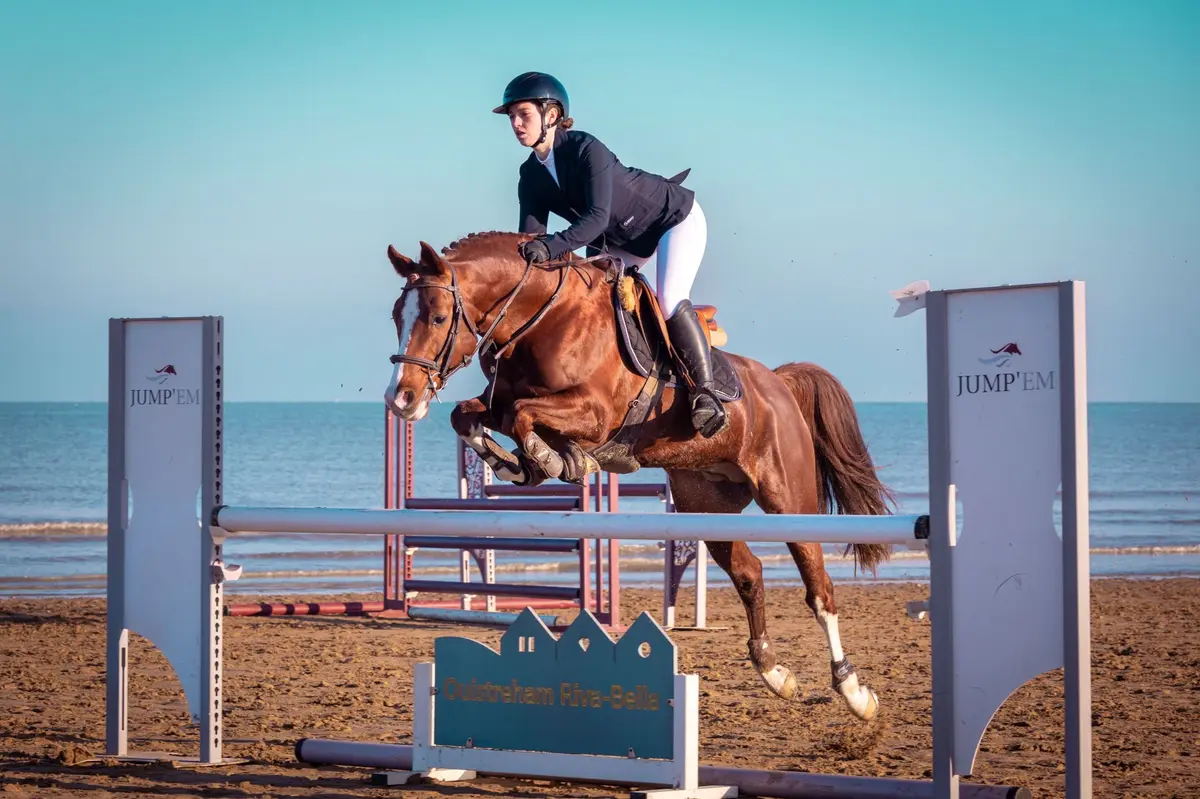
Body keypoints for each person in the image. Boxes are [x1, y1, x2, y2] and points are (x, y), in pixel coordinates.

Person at [492, 71, 727, 439]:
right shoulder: (530, 175)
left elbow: (596, 217)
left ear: (551, 115)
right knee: (595, 304)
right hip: (617, 239)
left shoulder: (587, 149)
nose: (516, 124)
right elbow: (532, 239)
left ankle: (705, 393)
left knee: (668, 298)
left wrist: (551, 246)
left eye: (523, 114)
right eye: (512, 117)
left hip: (672, 219)